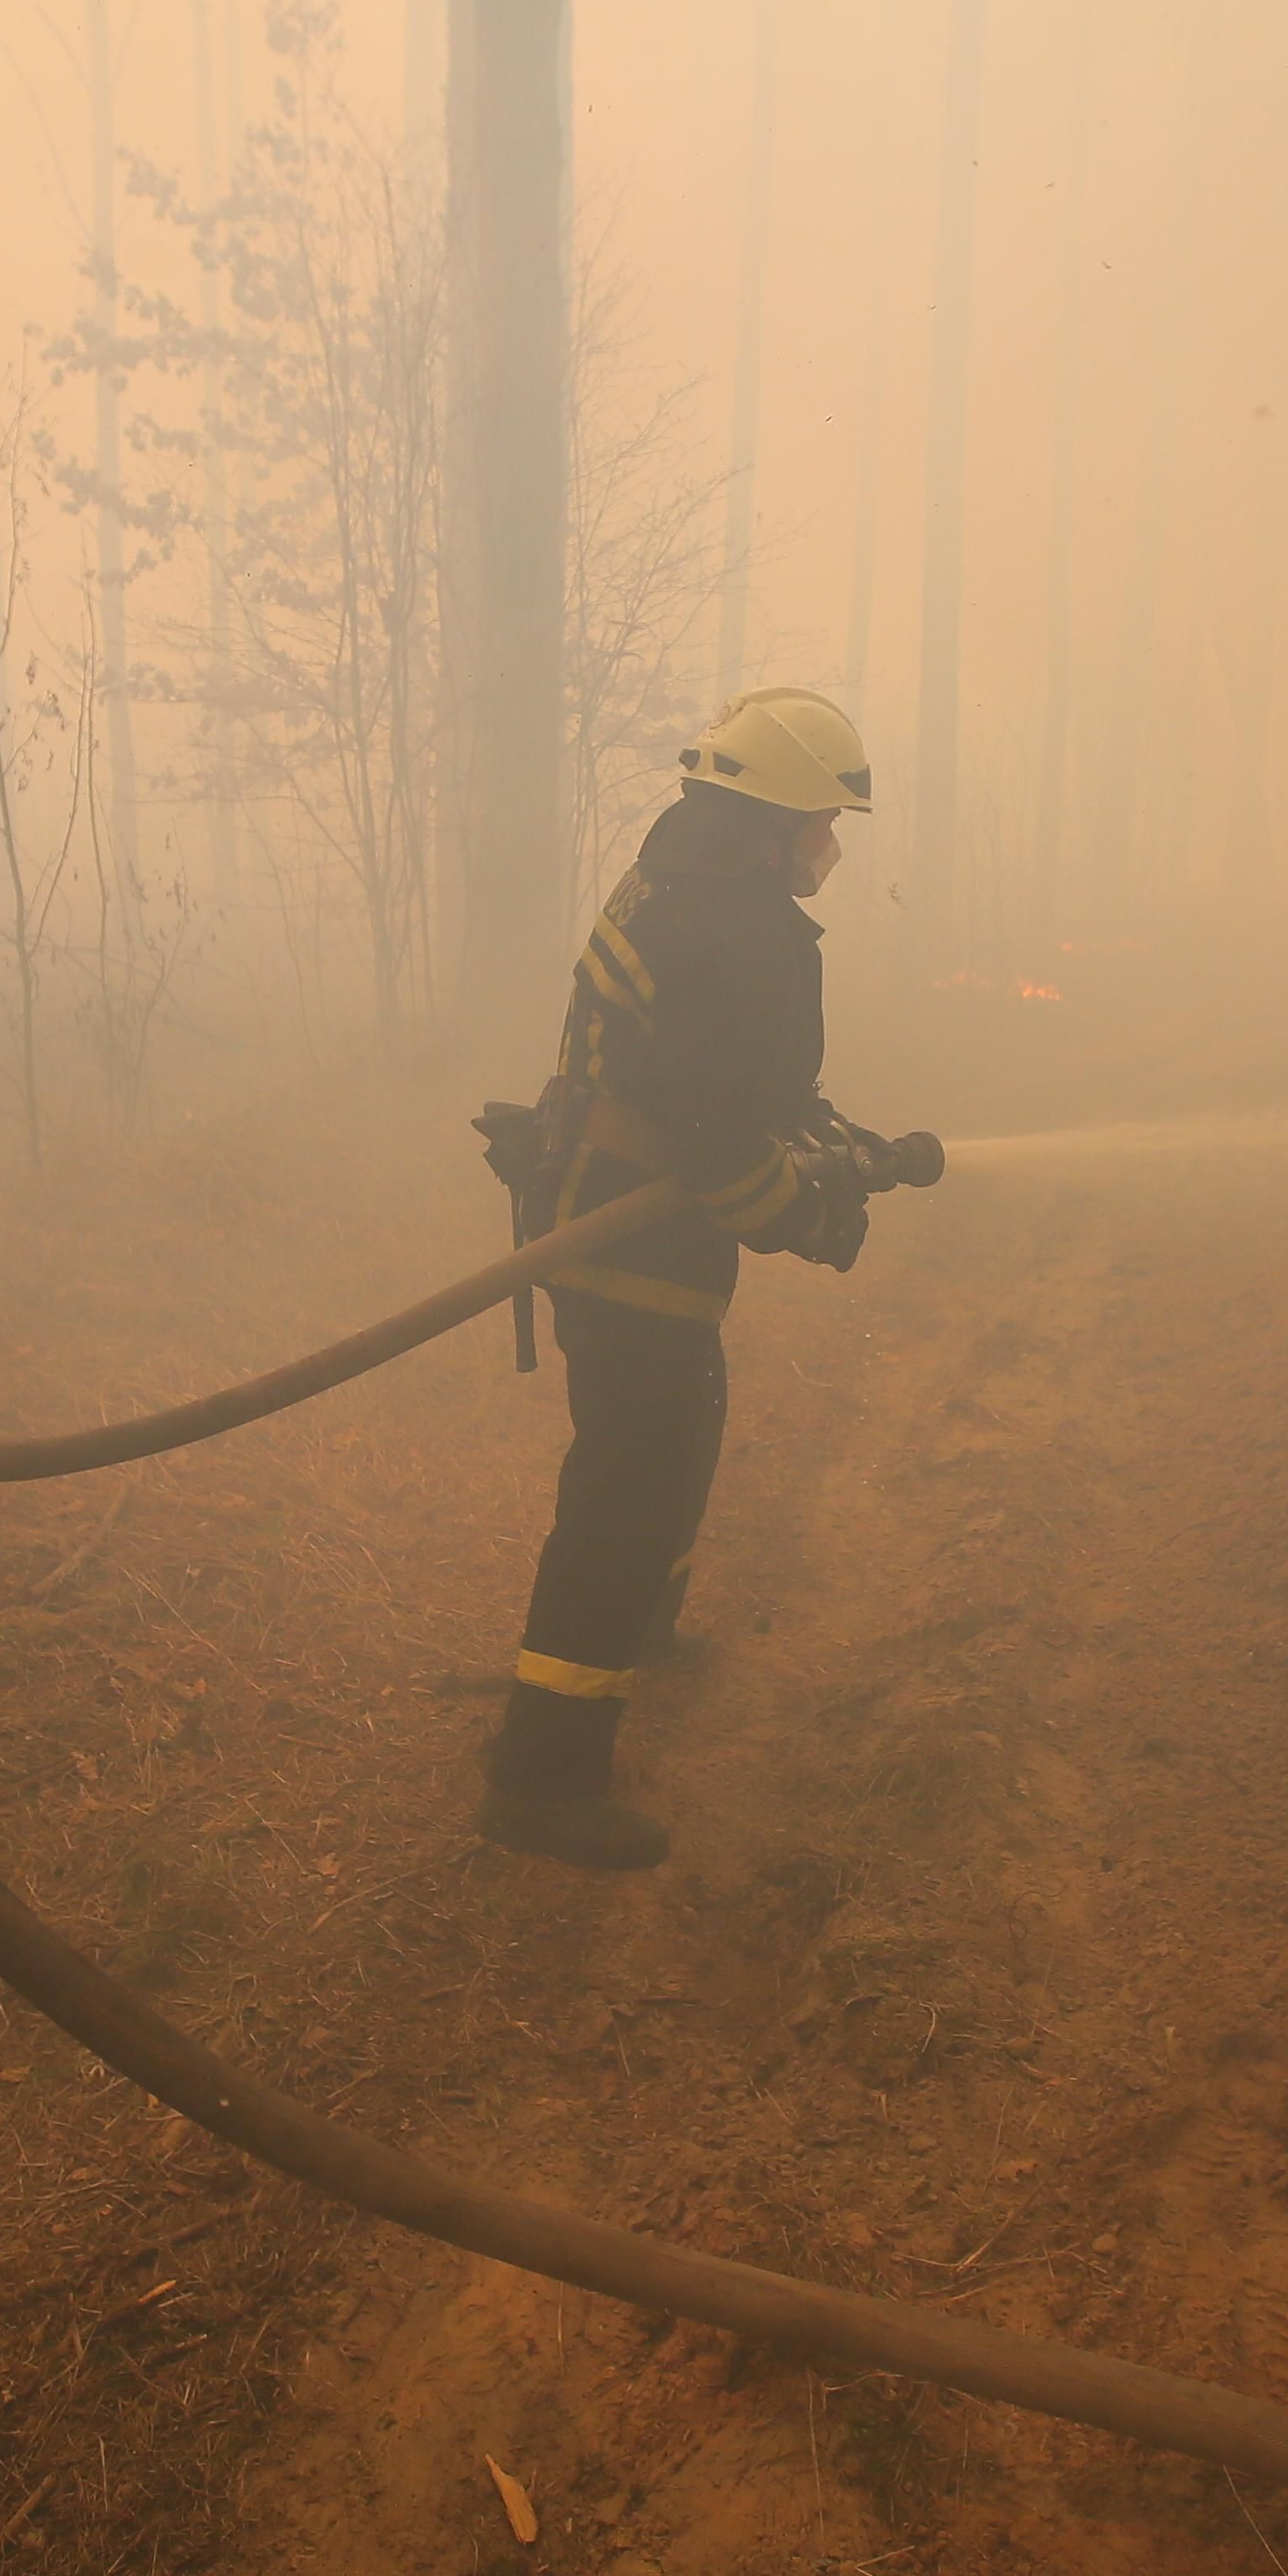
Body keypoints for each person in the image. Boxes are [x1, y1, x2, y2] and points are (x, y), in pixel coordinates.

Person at [479, 687, 928, 1872]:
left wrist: (831, 1142)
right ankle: (543, 1778)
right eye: (819, 823)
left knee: (684, 1425)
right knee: (628, 1482)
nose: (828, 848)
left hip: (600, 1213)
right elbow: (720, 1136)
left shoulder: (684, 883)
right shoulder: (740, 932)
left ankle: (643, 1626)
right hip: (627, 1238)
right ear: (771, 824)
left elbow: (735, 1086)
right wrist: (806, 1219)